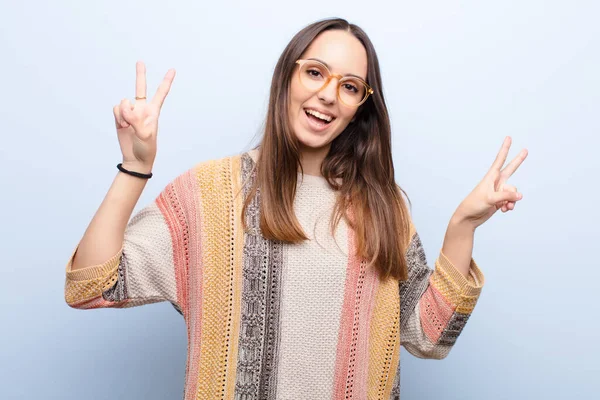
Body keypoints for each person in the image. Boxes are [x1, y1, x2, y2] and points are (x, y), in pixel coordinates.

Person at [64, 17, 527, 400]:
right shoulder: (210, 193)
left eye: (350, 86)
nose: (328, 94)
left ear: (359, 109)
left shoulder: (382, 206)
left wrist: (462, 226)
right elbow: (88, 286)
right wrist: (135, 166)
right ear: (287, 75)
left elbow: (430, 336)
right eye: (315, 72)